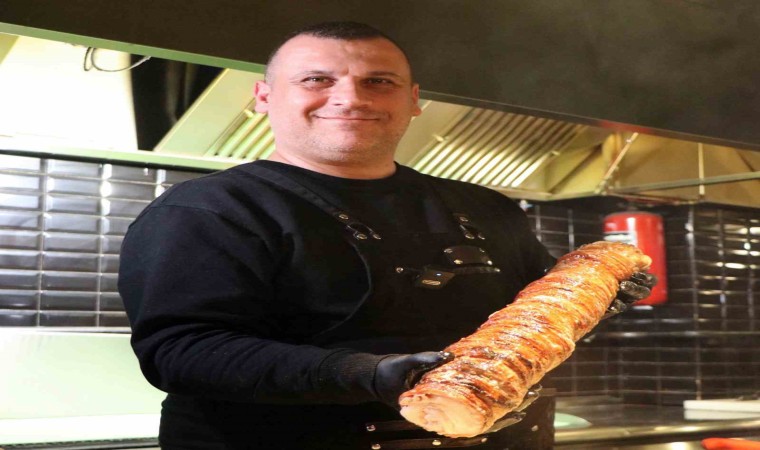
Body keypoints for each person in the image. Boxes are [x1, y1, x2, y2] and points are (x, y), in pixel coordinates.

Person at [118, 21, 654, 450]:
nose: (350, 98)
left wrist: (595, 306)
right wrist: (366, 374)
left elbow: (535, 325)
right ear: (263, 96)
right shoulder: (210, 211)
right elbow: (182, 353)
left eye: (379, 81)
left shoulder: (485, 207)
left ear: (413, 99)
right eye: (317, 79)